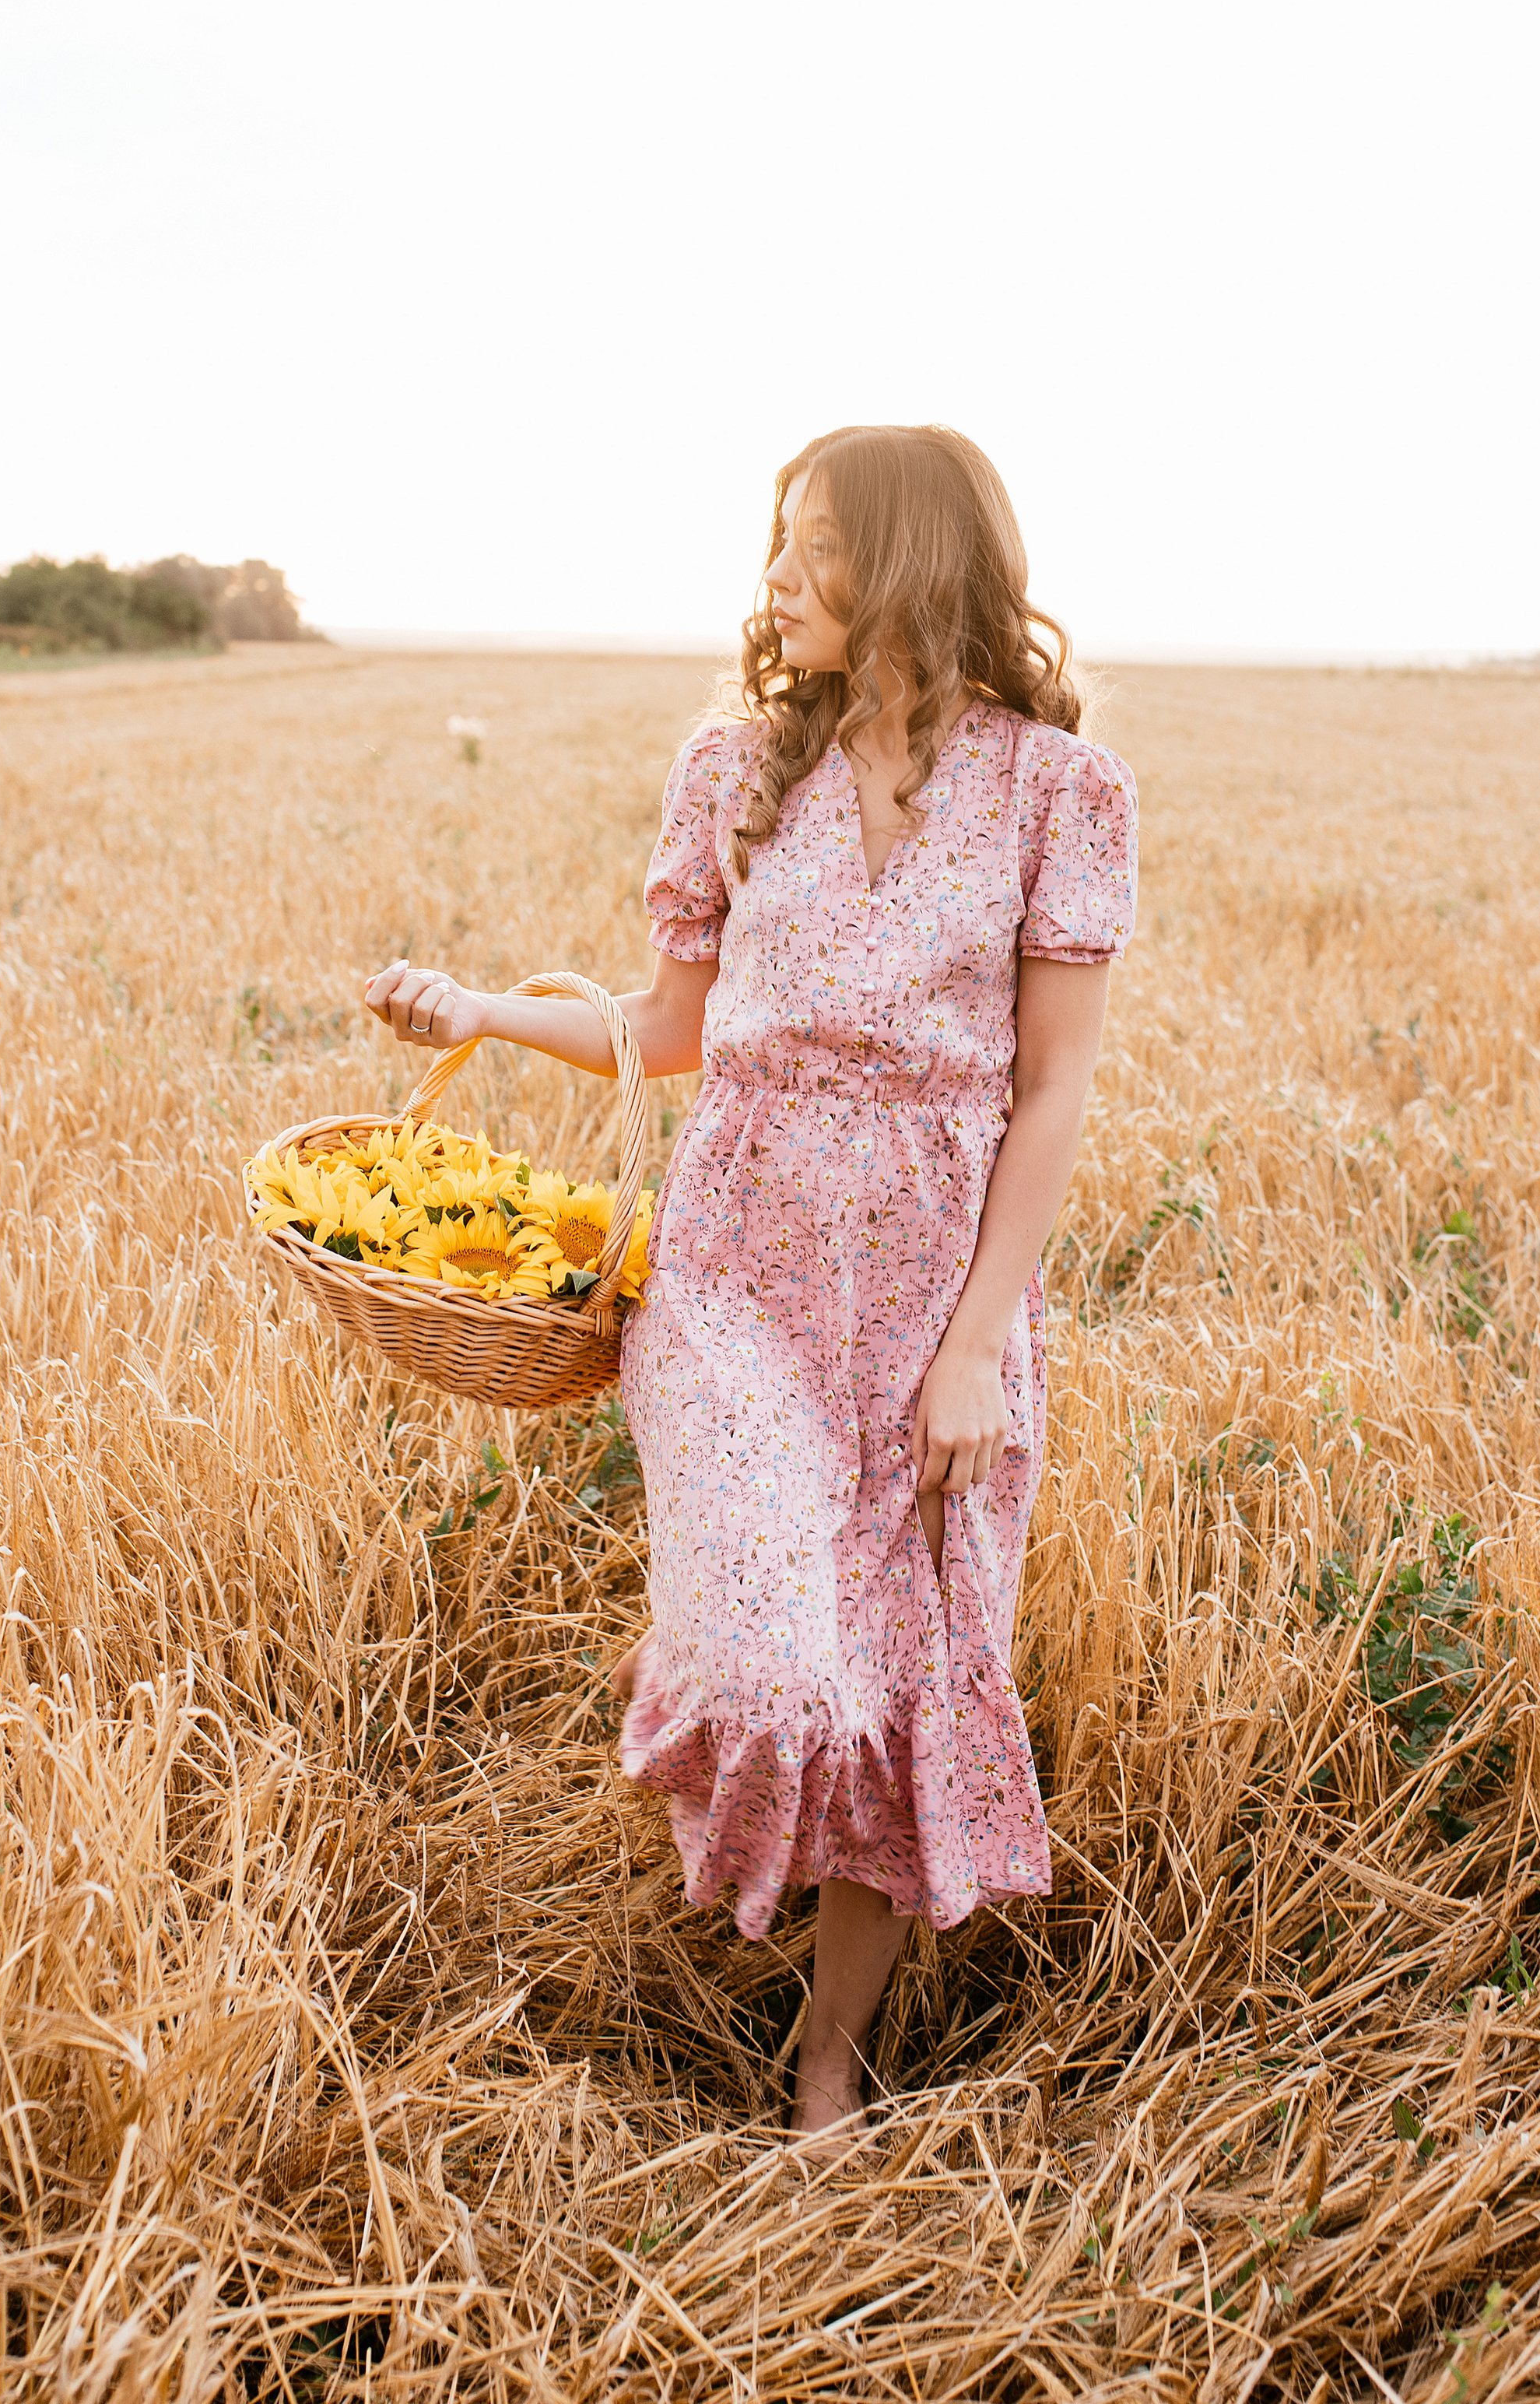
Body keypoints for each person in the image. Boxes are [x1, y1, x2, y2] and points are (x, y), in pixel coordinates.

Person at [364, 425, 1137, 2139]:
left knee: (897, 1681)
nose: (777, 578)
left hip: (935, 1303)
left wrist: (971, 1352)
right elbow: (667, 1028)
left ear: (913, 562)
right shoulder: (734, 769)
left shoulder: (1059, 793)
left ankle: (827, 2054)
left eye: (817, 545)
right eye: (777, 542)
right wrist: (485, 1013)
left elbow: (1052, 1089)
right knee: (777, 1668)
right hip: (734, 1285)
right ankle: (719, 1733)